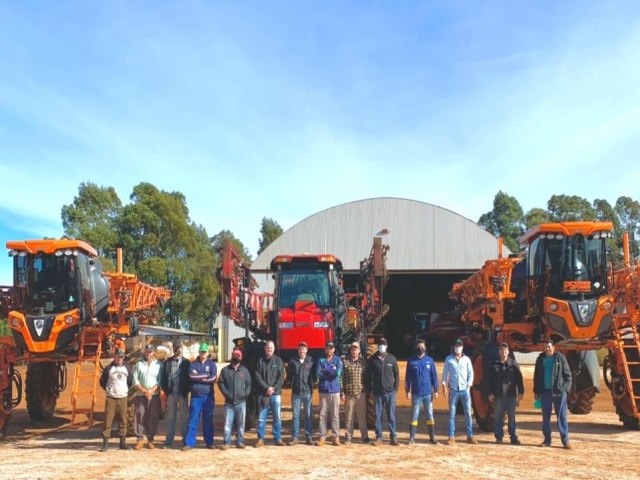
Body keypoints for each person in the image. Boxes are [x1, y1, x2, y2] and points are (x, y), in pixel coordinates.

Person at [533, 340, 572, 449]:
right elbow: (536, 377)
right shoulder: (540, 359)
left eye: (549, 347)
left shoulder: (560, 358)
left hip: (559, 392)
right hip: (545, 392)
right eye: (545, 347)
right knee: (546, 417)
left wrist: (565, 390)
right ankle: (547, 440)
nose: (547, 349)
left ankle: (565, 441)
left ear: (554, 347)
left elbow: (568, 376)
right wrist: (536, 392)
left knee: (562, 416)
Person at [487, 342, 524, 445]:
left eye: (505, 350)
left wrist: (521, 392)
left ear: (508, 352)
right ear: (499, 352)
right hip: (498, 396)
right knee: (498, 417)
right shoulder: (494, 364)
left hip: (511, 396)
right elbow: (489, 380)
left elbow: (519, 379)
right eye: (501, 350)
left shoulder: (513, 364)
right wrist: (490, 393)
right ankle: (499, 437)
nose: (503, 352)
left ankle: (513, 437)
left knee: (512, 418)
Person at [182, 343, 217, 450]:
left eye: (204, 351)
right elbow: (192, 376)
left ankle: (209, 442)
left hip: (208, 396)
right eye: (201, 351)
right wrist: (206, 375)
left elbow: (213, 378)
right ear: (199, 352)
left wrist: (200, 377)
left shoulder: (212, 364)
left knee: (208, 419)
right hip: (196, 396)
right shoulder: (193, 364)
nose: (203, 353)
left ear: (207, 352)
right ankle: (189, 443)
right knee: (193, 419)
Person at [366, 337, 400, 446]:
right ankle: (379, 437)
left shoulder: (392, 359)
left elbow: (397, 375)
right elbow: (368, 376)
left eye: (383, 344)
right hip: (378, 393)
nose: (381, 346)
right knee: (377, 415)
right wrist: (370, 390)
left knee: (391, 415)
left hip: (390, 393)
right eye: (380, 344)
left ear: (386, 346)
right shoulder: (373, 360)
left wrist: (395, 389)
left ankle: (393, 437)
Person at [442, 338, 476, 445]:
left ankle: (470, 436)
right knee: (452, 414)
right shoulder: (449, 359)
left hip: (465, 390)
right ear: (454, 347)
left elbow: (471, 374)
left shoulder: (467, 360)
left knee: (468, 414)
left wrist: (468, 386)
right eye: (456, 346)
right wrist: (444, 387)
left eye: (459, 346)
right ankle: (451, 437)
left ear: (462, 347)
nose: (457, 348)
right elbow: (445, 374)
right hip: (453, 390)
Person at [405, 339, 438, 445]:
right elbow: (408, 377)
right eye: (419, 347)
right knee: (414, 415)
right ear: (416, 348)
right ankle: (412, 438)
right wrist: (407, 390)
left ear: (425, 348)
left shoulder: (430, 360)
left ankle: (432, 438)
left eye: (422, 346)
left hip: (428, 393)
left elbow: (434, 376)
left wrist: (436, 390)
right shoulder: (411, 361)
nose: (421, 348)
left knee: (430, 415)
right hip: (416, 393)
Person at [99, 348, 132, 451]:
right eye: (118, 356)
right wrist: (109, 390)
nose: (120, 359)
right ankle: (105, 444)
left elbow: (130, 381)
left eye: (122, 357)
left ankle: (122, 443)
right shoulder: (109, 368)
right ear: (115, 356)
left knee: (123, 420)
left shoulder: (127, 368)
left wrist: (123, 390)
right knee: (108, 421)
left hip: (123, 398)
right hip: (111, 399)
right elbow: (102, 382)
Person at [218, 347, 252, 449]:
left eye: (238, 355)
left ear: (241, 357)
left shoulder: (245, 371)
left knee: (241, 424)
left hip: (241, 402)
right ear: (231, 356)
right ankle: (227, 442)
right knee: (227, 424)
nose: (236, 357)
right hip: (229, 402)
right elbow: (221, 383)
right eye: (234, 355)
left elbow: (249, 384)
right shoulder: (225, 370)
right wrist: (226, 394)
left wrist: (245, 394)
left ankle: (240, 441)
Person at [254, 340, 285, 447]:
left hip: (276, 394)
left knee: (277, 417)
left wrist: (273, 388)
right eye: (268, 348)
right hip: (263, 394)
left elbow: (281, 377)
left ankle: (277, 438)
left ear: (274, 349)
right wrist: (266, 388)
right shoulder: (260, 361)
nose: (269, 350)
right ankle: (260, 439)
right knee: (262, 418)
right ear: (265, 349)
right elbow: (257, 376)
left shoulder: (278, 361)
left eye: (271, 348)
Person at [160, 340, 191, 449]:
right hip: (171, 394)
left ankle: (185, 440)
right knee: (171, 418)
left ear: (182, 348)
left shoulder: (187, 363)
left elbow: (189, 379)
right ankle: (169, 441)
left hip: (182, 394)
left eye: (178, 347)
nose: (177, 349)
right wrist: (166, 390)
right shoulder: (167, 362)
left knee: (184, 418)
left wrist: (186, 391)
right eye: (175, 347)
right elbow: (163, 377)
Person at [132, 344, 163, 450]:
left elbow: (159, 380)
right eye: (147, 351)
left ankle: (150, 440)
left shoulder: (159, 365)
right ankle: (140, 440)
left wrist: (151, 391)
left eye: (150, 352)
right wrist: (145, 391)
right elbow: (135, 380)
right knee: (139, 416)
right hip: (141, 395)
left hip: (153, 396)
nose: (148, 354)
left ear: (153, 352)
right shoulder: (138, 364)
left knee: (152, 417)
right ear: (144, 352)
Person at [286, 341, 315, 446]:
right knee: (296, 415)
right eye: (300, 349)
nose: (302, 351)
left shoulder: (311, 361)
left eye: (303, 349)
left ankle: (309, 437)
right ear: (297, 350)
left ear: (307, 350)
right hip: (296, 393)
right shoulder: (292, 361)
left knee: (308, 415)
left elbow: (314, 375)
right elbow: (289, 375)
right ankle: (295, 437)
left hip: (307, 392)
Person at [341, 341, 369, 444]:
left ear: (359, 351)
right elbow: (341, 378)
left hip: (361, 393)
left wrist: (367, 390)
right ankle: (348, 437)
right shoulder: (345, 362)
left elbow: (366, 377)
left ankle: (365, 436)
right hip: (349, 393)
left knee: (362, 416)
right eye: (352, 349)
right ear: (350, 350)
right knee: (349, 416)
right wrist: (342, 392)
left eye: (356, 349)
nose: (354, 351)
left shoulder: (363, 363)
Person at [315, 341, 343, 446]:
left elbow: (337, 374)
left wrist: (325, 370)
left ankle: (336, 437)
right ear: (324, 349)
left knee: (335, 415)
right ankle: (322, 437)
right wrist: (331, 370)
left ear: (334, 349)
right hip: (323, 391)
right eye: (327, 348)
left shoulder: (338, 360)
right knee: (322, 415)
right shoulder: (320, 359)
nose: (329, 350)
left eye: (331, 348)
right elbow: (318, 373)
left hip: (335, 391)